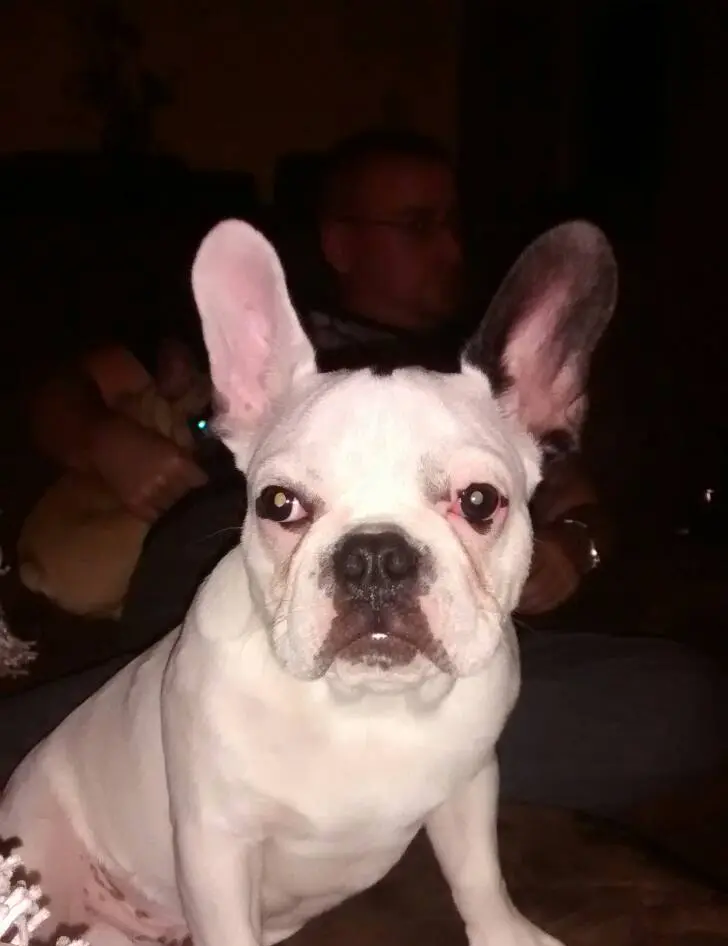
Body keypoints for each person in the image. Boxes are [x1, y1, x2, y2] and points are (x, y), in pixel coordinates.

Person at [0, 130, 724, 811]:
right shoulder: (257, 330)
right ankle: (345, 772)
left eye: (454, 223)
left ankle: (258, 773)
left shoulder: (490, 379)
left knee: (684, 702)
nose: (450, 247)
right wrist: (106, 440)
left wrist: (570, 547)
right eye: (418, 225)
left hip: (439, 648)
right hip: (225, 558)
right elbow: (55, 396)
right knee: (213, 558)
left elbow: (578, 499)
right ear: (340, 243)